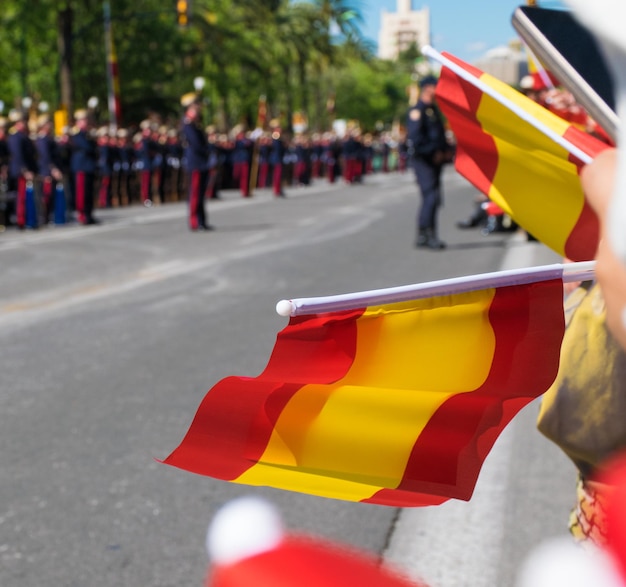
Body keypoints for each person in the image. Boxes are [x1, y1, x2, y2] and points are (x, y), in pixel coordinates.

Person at [407, 75, 453, 250]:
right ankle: (426, 234)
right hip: (424, 161)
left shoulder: (433, 110)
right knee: (430, 197)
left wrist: (446, 151)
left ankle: (427, 234)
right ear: (427, 87)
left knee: (434, 198)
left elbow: (439, 136)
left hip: (435, 160)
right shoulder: (417, 110)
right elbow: (416, 140)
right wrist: (433, 152)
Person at [181, 92, 212, 231]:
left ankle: (201, 220)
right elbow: (196, 143)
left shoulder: (196, 122)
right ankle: (194, 221)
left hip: (201, 161)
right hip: (195, 162)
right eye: (197, 104)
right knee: (195, 193)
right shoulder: (189, 122)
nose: (200, 107)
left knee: (200, 194)